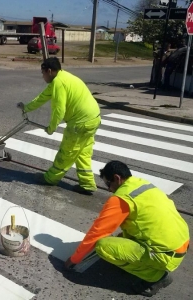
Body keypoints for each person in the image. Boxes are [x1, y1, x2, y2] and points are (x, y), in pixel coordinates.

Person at [65, 161, 189, 297]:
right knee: (121, 238)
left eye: (108, 184)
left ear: (117, 178)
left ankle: (157, 276)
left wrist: (74, 259)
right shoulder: (142, 184)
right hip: (181, 241)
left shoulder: (121, 198)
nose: (109, 189)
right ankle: (144, 261)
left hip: (165, 253)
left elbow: (97, 232)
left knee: (103, 247)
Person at [17, 57, 101, 195]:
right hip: (94, 118)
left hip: (80, 123)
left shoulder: (58, 83)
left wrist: (51, 128)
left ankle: (50, 179)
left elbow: (59, 110)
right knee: (82, 152)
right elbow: (42, 97)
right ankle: (87, 183)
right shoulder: (63, 77)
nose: (42, 76)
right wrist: (26, 108)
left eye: (43, 73)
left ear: (49, 71)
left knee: (66, 152)